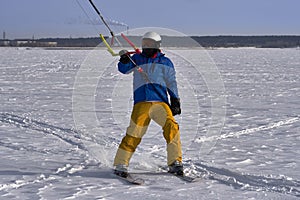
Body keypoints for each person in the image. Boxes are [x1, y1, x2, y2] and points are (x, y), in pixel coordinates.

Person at [113, 31, 183, 177]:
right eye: (144, 44)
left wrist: (175, 100)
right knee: (134, 132)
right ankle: (121, 163)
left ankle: (175, 162)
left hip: (160, 103)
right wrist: (124, 60)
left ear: (157, 45)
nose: (146, 47)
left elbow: (171, 82)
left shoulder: (166, 62)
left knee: (172, 127)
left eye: (149, 44)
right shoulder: (137, 59)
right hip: (142, 102)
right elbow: (123, 69)